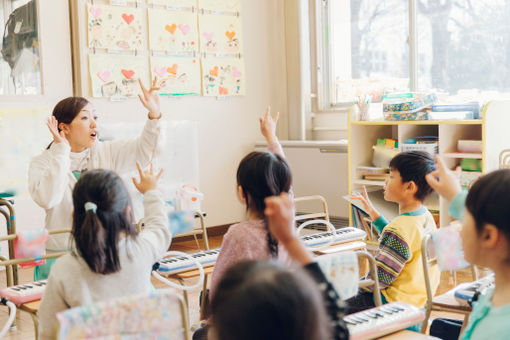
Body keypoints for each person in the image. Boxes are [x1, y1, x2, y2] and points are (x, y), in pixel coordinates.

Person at [28, 78, 162, 280]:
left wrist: (154, 115)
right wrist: (62, 151)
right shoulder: (42, 163)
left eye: (95, 117)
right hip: (63, 256)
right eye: (84, 118)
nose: (94, 124)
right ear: (63, 128)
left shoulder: (106, 150)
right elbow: (48, 198)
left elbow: (144, 152)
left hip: (104, 251)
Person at [38, 163, 171, 340]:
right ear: (127, 212)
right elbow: (159, 227)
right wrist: (151, 192)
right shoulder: (143, 250)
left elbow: (49, 332)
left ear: (74, 216)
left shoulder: (64, 269)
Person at [193, 107, 292, 340]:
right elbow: (285, 179)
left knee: (200, 332)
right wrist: (272, 138)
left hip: (246, 328)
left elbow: (218, 291)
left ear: (241, 193)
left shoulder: (238, 234)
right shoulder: (288, 221)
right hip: (283, 321)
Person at [207, 193, 349, 340]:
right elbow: (335, 314)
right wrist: (290, 239)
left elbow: (215, 292)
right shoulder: (327, 333)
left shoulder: (237, 232)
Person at [425, 157, 510, 340]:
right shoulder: (498, 295)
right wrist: (454, 194)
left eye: (465, 221)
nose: (461, 230)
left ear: (489, 236)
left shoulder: (497, 331)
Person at [349, 151, 440, 313]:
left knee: (332, 303)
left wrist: (354, 285)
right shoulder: (425, 216)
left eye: (391, 176)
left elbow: (378, 281)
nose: (385, 181)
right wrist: (372, 212)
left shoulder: (398, 229)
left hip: (392, 304)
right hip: (419, 303)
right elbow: (402, 242)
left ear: (409, 186)